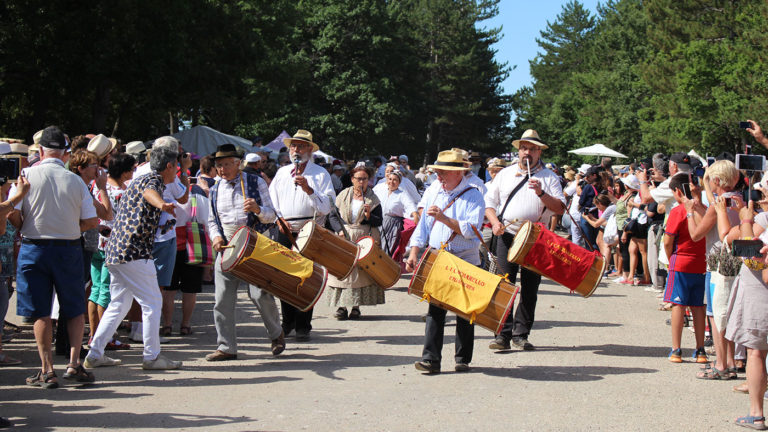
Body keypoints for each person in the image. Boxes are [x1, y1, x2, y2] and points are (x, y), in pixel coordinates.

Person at [84, 142, 183, 371]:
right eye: (176, 166)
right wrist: (163, 204)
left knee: (119, 304)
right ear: (169, 166)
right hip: (134, 252)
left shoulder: (137, 179)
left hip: (116, 251)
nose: (177, 171)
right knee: (152, 302)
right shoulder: (152, 181)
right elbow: (150, 194)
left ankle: (95, 352)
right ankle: (152, 357)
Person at [12, 126, 97, 387]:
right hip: (68, 247)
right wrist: (70, 227)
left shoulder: (26, 174)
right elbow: (91, 219)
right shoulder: (75, 180)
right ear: (65, 154)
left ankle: (47, 369)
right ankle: (74, 363)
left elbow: (12, 212)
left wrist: (25, 224)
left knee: (40, 311)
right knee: (73, 307)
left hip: (34, 247)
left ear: (40, 151)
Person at [484, 129, 565, 351]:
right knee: (504, 284)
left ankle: (521, 334)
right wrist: (494, 222)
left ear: (539, 152)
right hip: (507, 234)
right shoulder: (505, 174)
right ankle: (502, 334)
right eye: (523, 148)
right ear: (518, 151)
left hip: (534, 238)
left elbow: (560, 208)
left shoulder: (548, 177)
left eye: (531, 149)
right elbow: (489, 203)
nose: (526, 152)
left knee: (530, 288)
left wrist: (541, 193)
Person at [405, 150, 485, 373]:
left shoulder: (474, 195)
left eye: (444, 172)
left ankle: (462, 358)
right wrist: (413, 252)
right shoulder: (434, 191)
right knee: (435, 310)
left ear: (460, 172)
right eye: (438, 171)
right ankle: (431, 359)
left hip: (465, 260)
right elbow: (422, 226)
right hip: (438, 258)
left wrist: (445, 219)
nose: (439, 176)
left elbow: (473, 230)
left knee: (465, 311)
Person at [205, 144, 285, 361]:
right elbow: (212, 221)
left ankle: (277, 334)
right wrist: (216, 237)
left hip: (254, 244)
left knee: (259, 294)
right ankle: (226, 347)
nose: (222, 169)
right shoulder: (214, 189)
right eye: (219, 165)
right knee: (222, 299)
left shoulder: (254, 182)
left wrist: (258, 210)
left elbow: (272, 216)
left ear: (237, 164)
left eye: (226, 164)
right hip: (227, 247)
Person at [269, 130, 335, 341]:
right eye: (293, 146)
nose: (295, 150)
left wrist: (309, 190)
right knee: (284, 277)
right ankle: (287, 322)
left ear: (309, 149)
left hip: (309, 230)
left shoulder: (320, 174)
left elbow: (327, 206)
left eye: (300, 146)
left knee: (306, 277)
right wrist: (278, 219)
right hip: (284, 229)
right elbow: (272, 201)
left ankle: (303, 324)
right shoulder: (281, 173)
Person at [88, 153, 135, 351]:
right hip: (113, 246)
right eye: (132, 169)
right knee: (106, 292)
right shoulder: (120, 192)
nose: (134, 172)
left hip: (96, 242)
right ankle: (104, 337)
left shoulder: (98, 185)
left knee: (96, 290)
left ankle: (94, 335)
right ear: (123, 172)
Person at [326, 165, 383, 320]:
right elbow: (332, 216)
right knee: (343, 270)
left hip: (364, 237)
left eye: (365, 179)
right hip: (344, 235)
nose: (362, 182)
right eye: (358, 179)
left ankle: (356, 307)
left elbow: (379, 221)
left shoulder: (373, 198)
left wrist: (369, 215)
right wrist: (338, 230)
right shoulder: (343, 195)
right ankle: (341, 307)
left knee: (361, 273)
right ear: (352, 179)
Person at [663, 173, 708, 364]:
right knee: (699, 306)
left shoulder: (678, 211)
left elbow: (668, 240)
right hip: (701, 262)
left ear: (677, 191)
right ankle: (700, 350)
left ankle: (676, 349)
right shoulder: (705, 209)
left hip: (681, 260)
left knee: (678, 305)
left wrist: (669, 259)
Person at [375, 170, 418, 261]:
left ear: (399, 182)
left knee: (388, 247)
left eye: (395, 180)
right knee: (377, 246)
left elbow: (410, 204)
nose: (392, 182)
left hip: (393, 225)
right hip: (380, 222)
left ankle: (387, 268)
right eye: (390, 179)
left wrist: (415, 214)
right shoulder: (381, 191)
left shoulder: (402, 194)